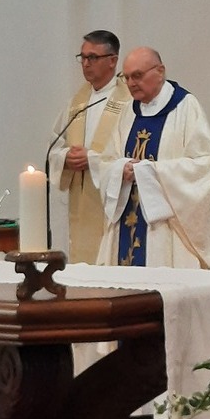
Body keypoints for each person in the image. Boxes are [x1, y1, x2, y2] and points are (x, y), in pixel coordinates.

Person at [96, 47, 210, 269]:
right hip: (127, 218)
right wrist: (120, 169)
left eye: (138, 75)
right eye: (127, 77)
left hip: (167, 230)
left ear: (160, 71)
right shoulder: (128, 112)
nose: (131, 83)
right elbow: (107, 161)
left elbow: (205, 164)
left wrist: (151, 172)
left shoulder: (185, 107)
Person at [48, 30, 130, 264]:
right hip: (82, 199)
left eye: (92, 57)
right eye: (82, 57)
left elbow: (131, 152)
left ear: (112, 60)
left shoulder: (128, 100)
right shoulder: (78, 102)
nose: (85, 64)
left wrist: (92, 159)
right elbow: (54, 145)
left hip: (112, 200)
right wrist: (66, 157)